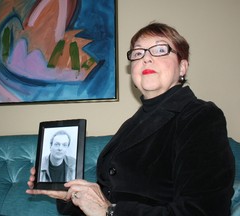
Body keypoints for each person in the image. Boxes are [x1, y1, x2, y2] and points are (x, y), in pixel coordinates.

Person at [27, 22, 235, 216]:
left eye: (160, 50)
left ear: (182, 67)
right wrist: (70, 197)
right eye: (138, 53)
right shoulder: (132, 124)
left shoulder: (200, 116)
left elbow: (204, 210)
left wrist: (110, 211)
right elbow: (106, 199)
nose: (146, 58)